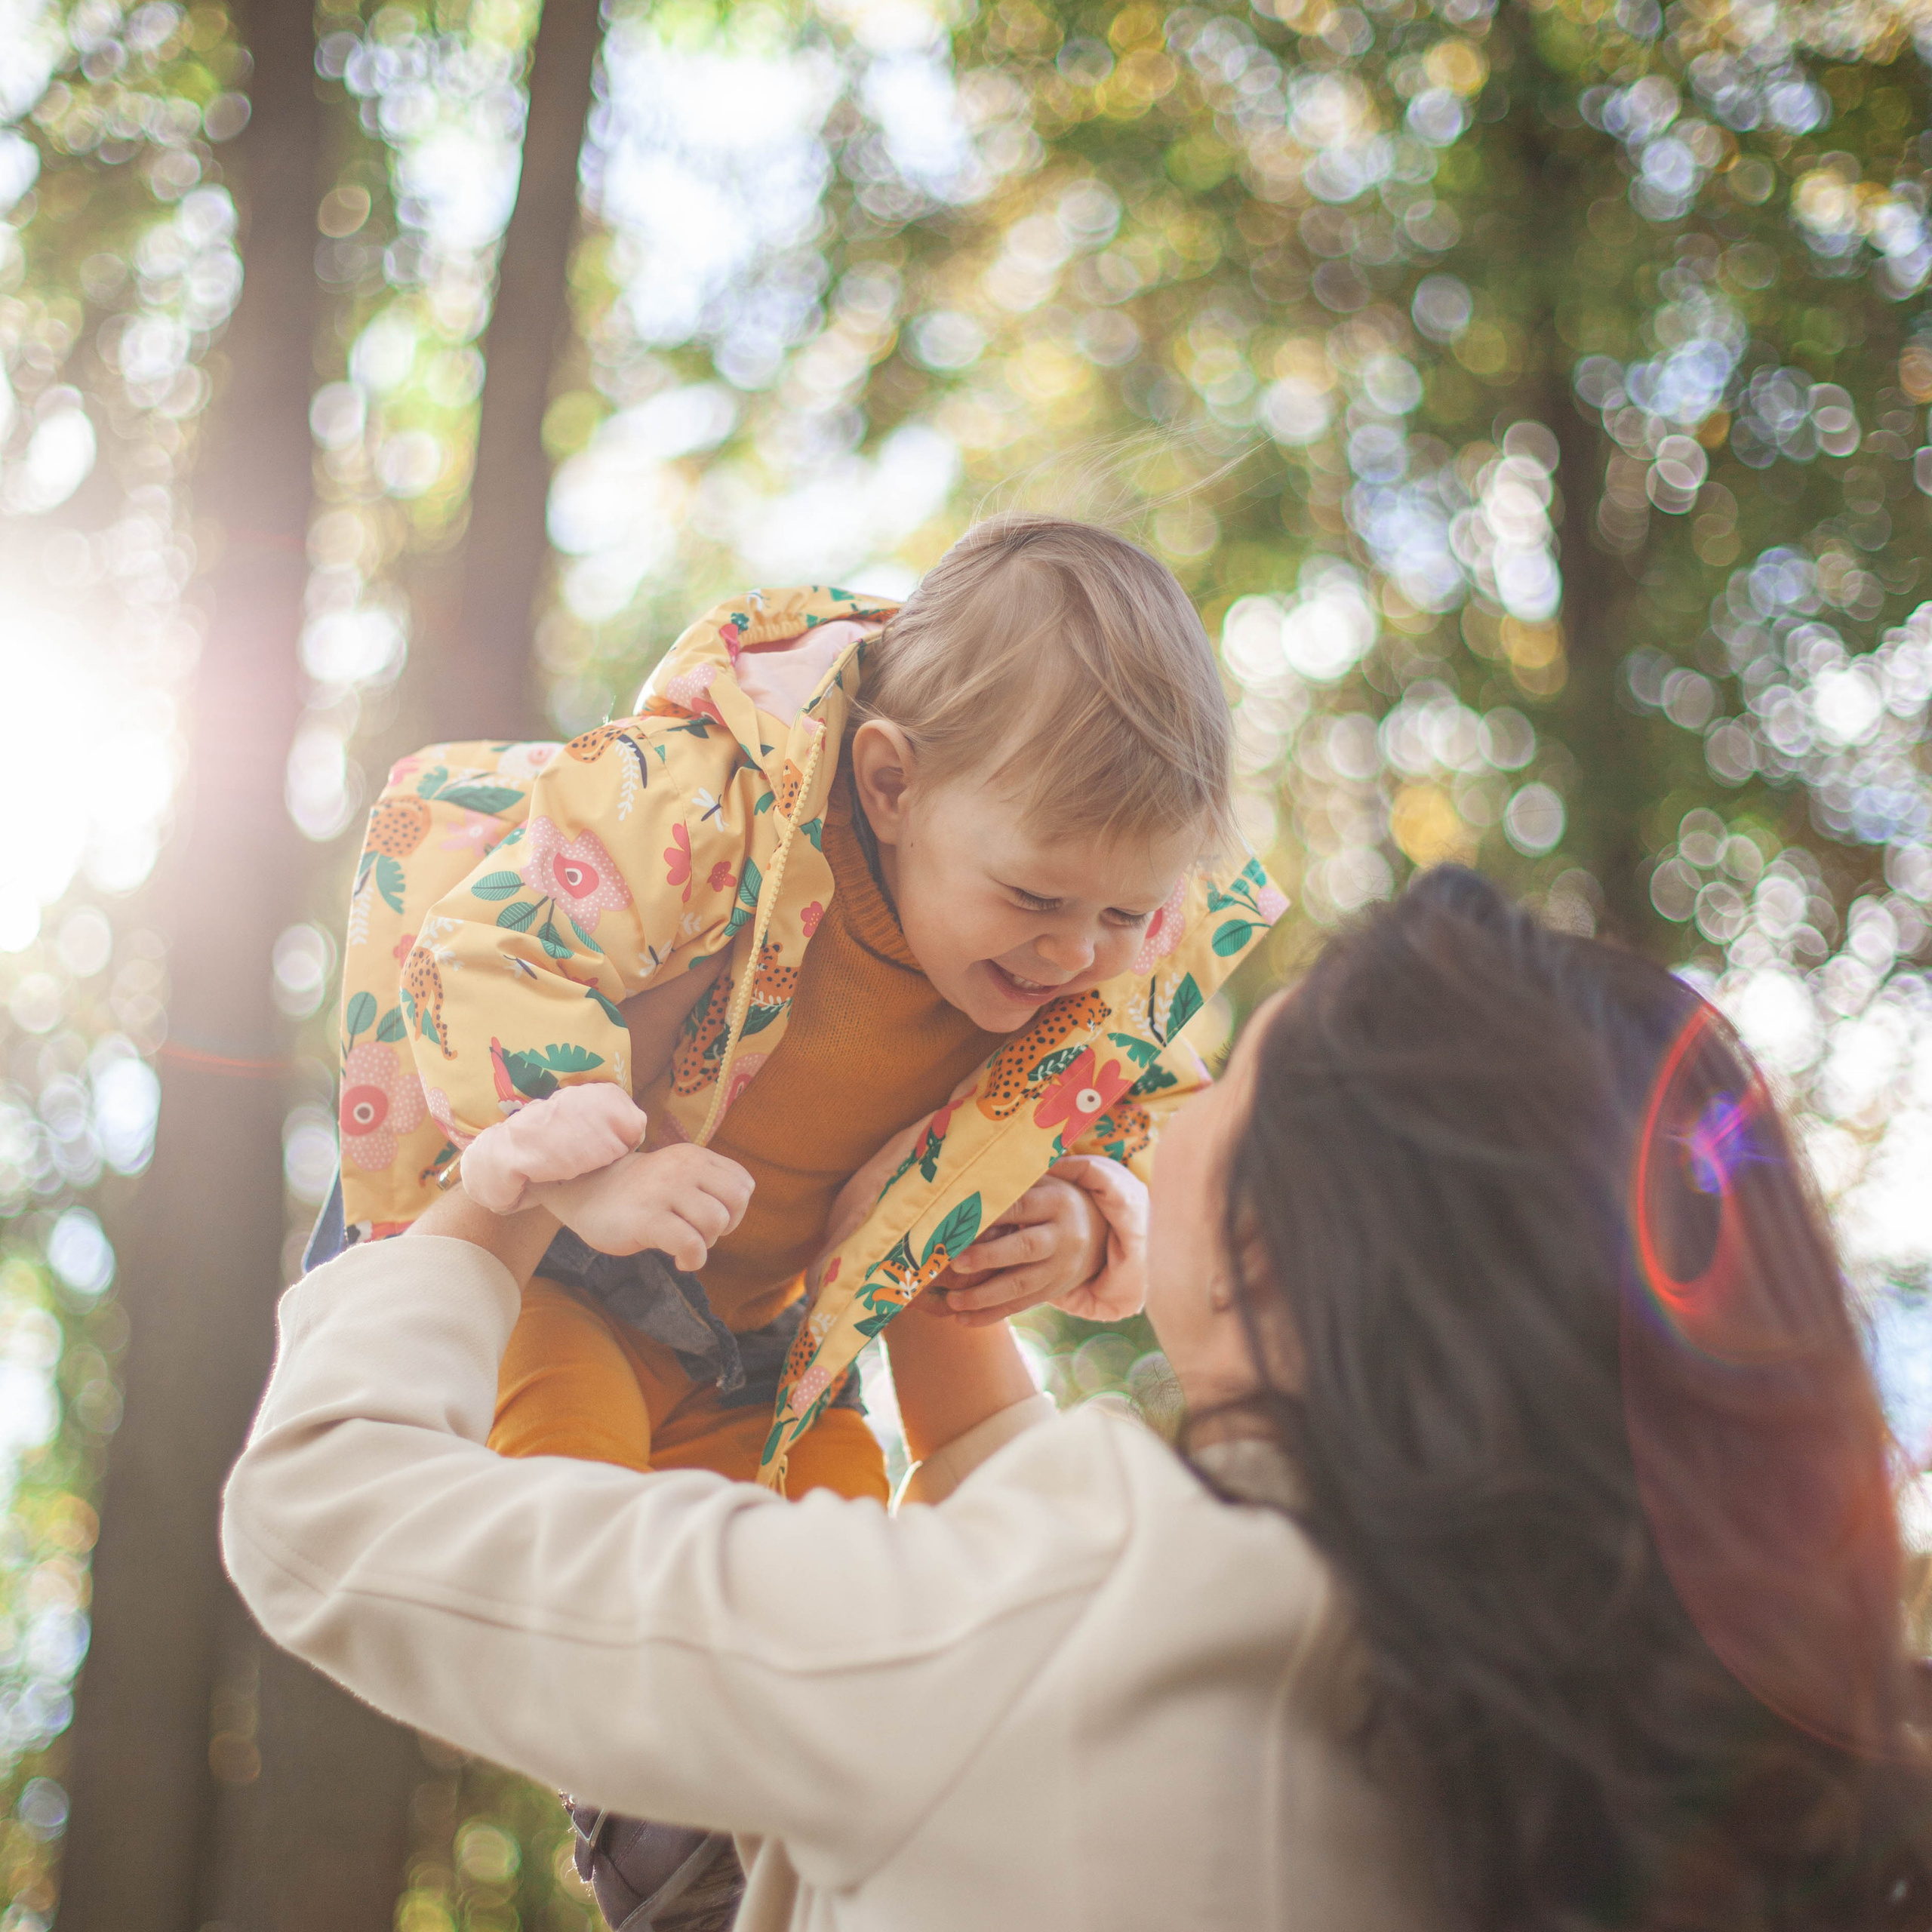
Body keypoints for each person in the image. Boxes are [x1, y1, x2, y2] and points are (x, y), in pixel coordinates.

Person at [226, 868, 1932, 1931]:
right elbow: (1058, 1642)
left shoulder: (1083, 1606)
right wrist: (915, 1229)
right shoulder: (1604, 1724)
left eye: (1225, 1078)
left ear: (1281, 1241)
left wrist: (504, 1176)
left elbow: (333, 1509)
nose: (1158, 1113)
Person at [315, 514, 1283, 1507]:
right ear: (892, 783)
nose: (1078, 952)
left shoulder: (1087, 989)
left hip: (773, 1360)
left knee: (833, 1581)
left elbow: (1164, 1127)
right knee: (582, 1520)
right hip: (568, 1277)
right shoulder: (717, 812)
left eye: (1129, 910)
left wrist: (1089, 1222)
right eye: (1035, 897)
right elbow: (492, 946)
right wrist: (591, 1173)